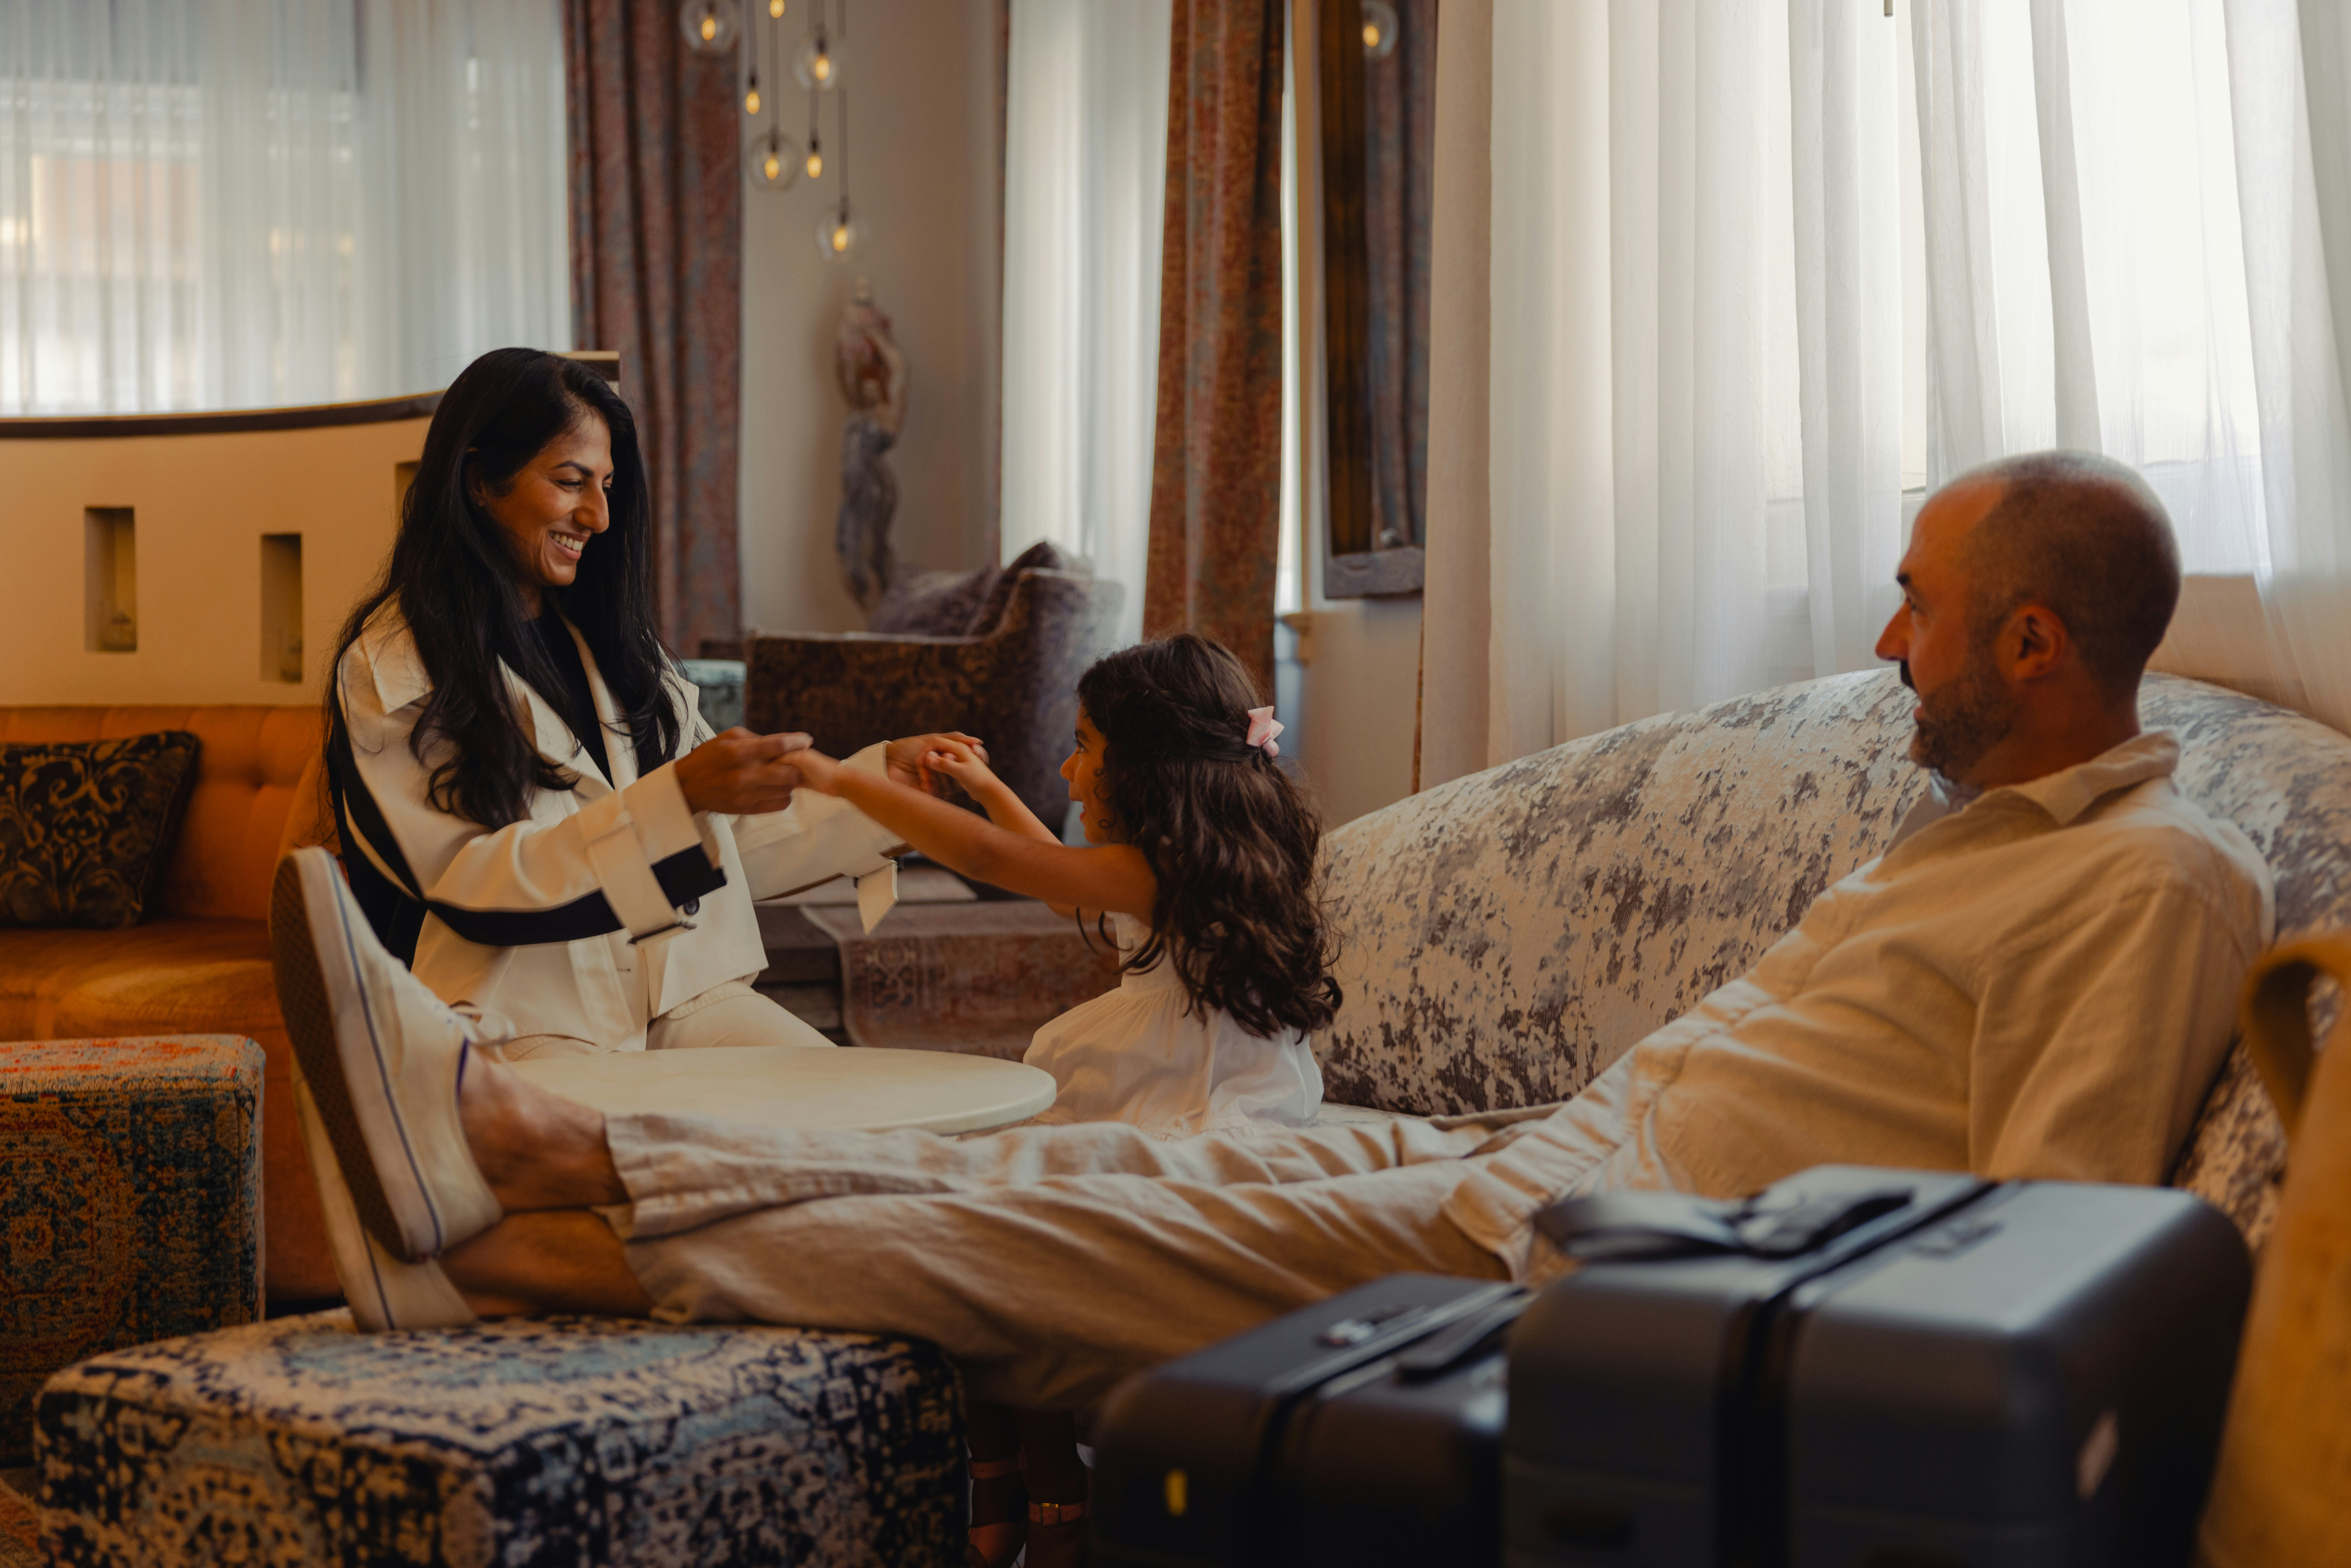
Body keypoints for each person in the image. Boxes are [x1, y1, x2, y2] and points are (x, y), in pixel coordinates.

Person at [271, 450, 2275, 1565]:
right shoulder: (1979, 837)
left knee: (1050, 1221)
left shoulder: (2150, 876)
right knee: (1060, 1181)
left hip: (1579, 1256)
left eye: (1915, 602)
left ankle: (540, 1150)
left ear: (2026, 634)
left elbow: (2047, 1241)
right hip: (1524, 1166)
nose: (1879, 638)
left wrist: (1676, 1280)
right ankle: (509, 1226)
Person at [785, 631, 1340, 1562]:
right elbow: (1052, 883)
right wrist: (989, 785)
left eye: (1084, 746)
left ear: (1150, 764)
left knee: (1012, 1237)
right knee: (979, 1206)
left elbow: (1008, 867)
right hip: (1156, 1074)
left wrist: (839, 781)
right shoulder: (1196, 859)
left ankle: (1046, 1493)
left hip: (1185, 1102)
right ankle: (1001, 1469)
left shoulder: (1164, 873)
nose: (1068, 771)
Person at [321, 346, 970, 1060]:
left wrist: (884, 791)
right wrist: (678, 794)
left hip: (684, 997)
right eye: (570, 482)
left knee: (862, 1117)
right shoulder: (391, 670)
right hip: (514, 1021)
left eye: (605, 484)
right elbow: (468, 884)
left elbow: (721, 843)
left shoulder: (624, 655)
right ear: (479, 480)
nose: (598, 515)